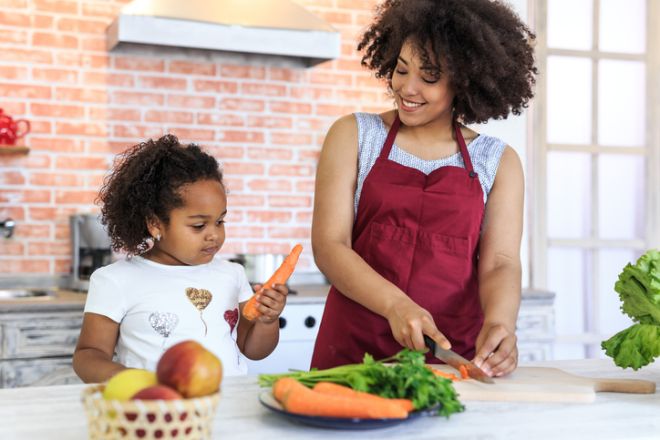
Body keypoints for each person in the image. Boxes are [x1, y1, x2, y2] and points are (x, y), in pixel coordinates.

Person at [310, 0, 537, 377]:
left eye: (429, 77)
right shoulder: (353, 135)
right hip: (352, 351)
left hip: (450, 354)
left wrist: (501, 323)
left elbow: (500, 262)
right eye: (401, 69)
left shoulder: (498, 162)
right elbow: (330, 246)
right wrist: (396, 305)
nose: (407, 87)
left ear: (466, 81)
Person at [73, 135, 288, 383]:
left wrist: (268, 321)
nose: (214, 235)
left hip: (227, 403)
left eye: (220, 221)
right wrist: (133, 380)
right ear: (155, 224)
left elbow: (254, 350)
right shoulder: (115, 280)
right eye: (198, 225)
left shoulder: (232, 274)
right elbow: (88, 355)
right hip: (156, 407)